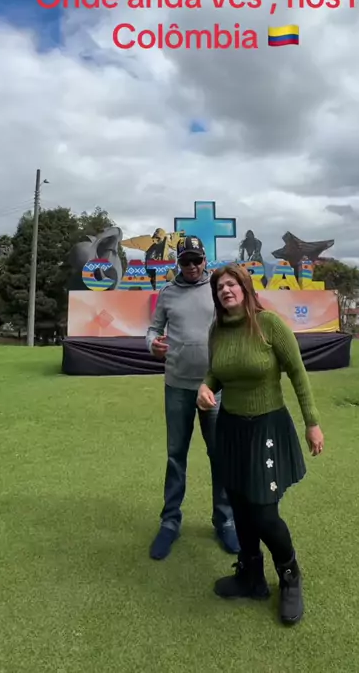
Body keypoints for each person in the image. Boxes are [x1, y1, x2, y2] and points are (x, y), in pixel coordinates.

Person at [197, 264, 324, 625]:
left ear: (245, 288)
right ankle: (251, 576)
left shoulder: (269, 325)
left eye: (231, 283)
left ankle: (290, 576)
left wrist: (312, 423)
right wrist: (205, 387)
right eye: (219, 286)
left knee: (264, 512)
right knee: (239, 505)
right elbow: (216, 372)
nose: (225, 290)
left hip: (267, 426)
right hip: (231, 428)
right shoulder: (217, 330)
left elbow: (297, 373)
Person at [146, 236, 239, 560]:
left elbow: (235, 325)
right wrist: (152, 344)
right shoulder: (167, 293)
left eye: (196, 260)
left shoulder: (217, 290)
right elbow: (152, 329)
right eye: (185, 261)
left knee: (220, 456)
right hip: (177, 386)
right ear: (179, 263)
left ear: (204, 260)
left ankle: (225, 521)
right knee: (176, 456)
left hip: (214, 387)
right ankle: (170, 522)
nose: (191, 266)